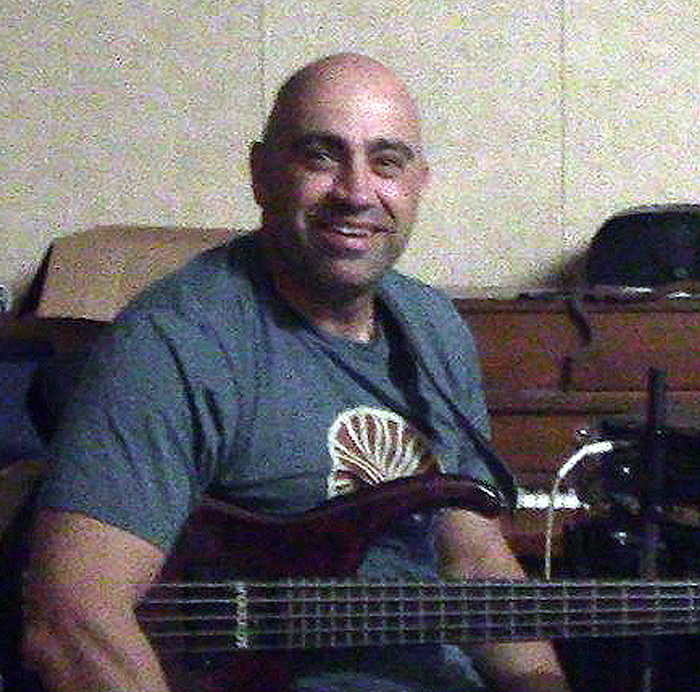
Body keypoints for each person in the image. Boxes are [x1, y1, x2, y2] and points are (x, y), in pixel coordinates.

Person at [22, 53, 571, 692]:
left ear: (419, 183)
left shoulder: (434, 327)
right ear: (261, 175)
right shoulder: (179, 341)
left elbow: (473, 561)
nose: (356, 192)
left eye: (386, 162)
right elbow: (72, 619)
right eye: (321, 156)